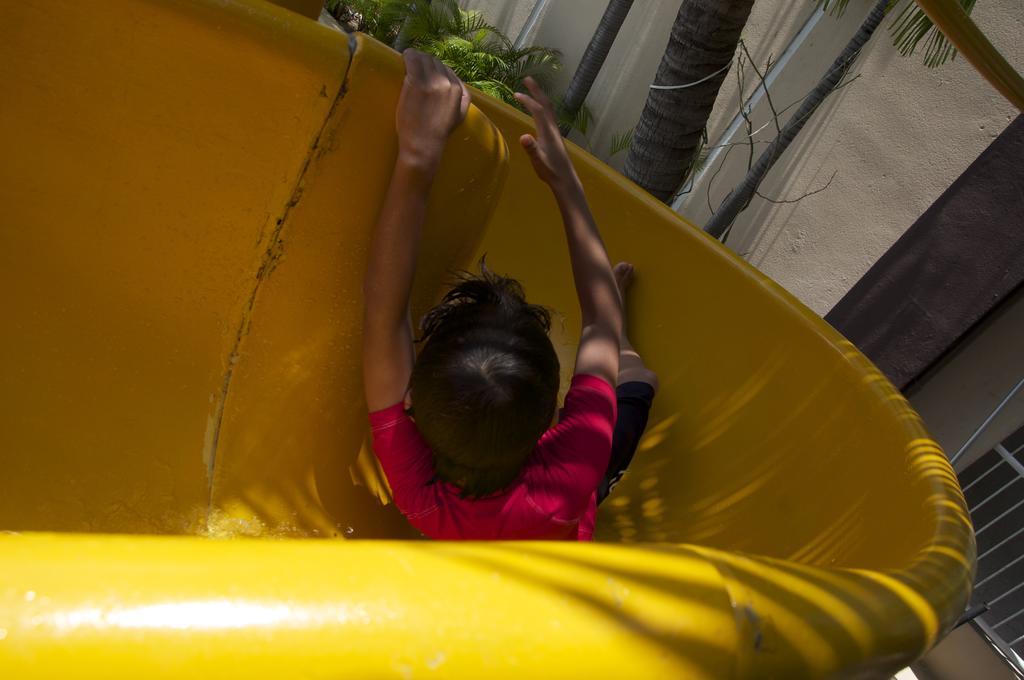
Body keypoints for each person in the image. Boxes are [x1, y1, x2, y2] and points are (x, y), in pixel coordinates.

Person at [363, 49, 657, 540]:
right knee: (638, 377)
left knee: (611, 344)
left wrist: (416, 154)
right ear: (555, 421)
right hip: (574, 504)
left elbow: (382, 316)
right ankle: (624, 358)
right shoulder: (574, 466)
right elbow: (601, 322)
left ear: (411, 398)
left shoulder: (417, 490)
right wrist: (566, 183)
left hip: (551, 508)